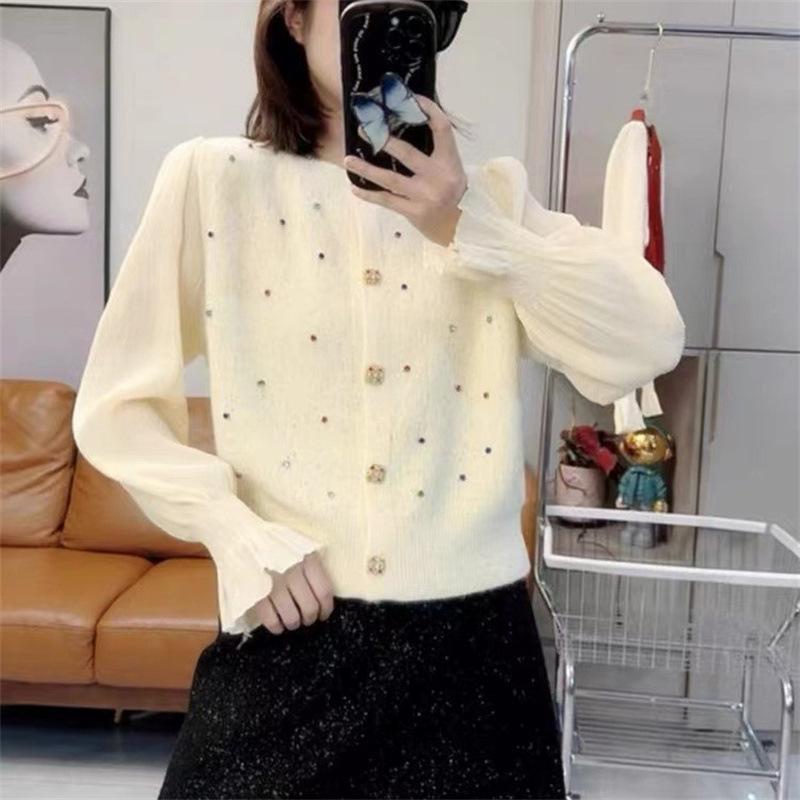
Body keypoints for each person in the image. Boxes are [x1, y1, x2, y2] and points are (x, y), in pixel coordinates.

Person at [71, 1, 686, 798]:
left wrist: (470, 227)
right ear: (293, 19)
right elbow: (116, 405)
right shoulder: (212, 183)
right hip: (291, 629)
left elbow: (648, 342)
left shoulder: (493, 198)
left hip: (473, 662)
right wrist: (236, 532)